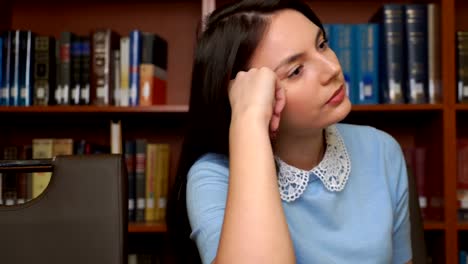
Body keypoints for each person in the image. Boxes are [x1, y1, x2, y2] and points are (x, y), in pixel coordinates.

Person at [166, 0, 413, 263]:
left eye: (322, 45)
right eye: (296, 71)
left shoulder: (381, 149)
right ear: (248, 94)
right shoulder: (213, 176)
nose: (332, 69)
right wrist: (248, 119)